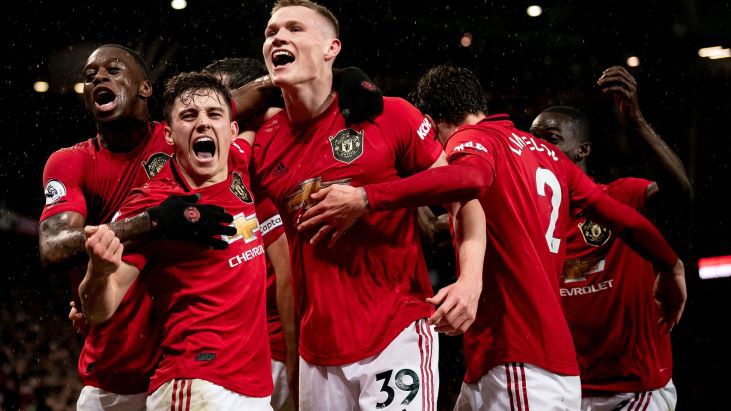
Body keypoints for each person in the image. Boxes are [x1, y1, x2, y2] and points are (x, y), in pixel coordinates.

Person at [299, 64, 686, 410]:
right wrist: (670, 265)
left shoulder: (470, 140)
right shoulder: (549, 156)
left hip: (519, 359)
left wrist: (367, 198)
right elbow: (627, 221)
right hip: (517, 362)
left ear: (430, 122)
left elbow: (471, 178)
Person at [252, 1, 486, 409]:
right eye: (271, 32)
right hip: (317, 348)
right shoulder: (264, 142)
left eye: (295, 28)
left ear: (332, 48)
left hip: (395, 333)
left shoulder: (389, 114)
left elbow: (463, 196)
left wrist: (470, 281)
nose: (279, 38)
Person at [39, 44, 236, 410]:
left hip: (186, 361)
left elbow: (233, 100)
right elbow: (54, 247)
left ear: (146, 87)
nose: (99, 77)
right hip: (114, 367)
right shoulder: (70, 162)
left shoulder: (180, 136)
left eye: (113, 70)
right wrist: (154, 222)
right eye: (90, 76)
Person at [79, 71, 273, 410]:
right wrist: (98, 272)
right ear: (168, 135)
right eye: (189, 116)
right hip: (196, 384)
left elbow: (281, 99)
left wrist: (343, 78)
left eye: (214, 114)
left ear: (232, 131)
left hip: (253, 386)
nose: (203, 123)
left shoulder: (238, 162)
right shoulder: (150, 204)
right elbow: (100, 308)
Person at [529, 66, 692, 411]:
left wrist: (636, 122)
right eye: (533, 141)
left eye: (551, 139)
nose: (539, 149)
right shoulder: (529, 216)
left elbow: (679, 192)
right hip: (567, 390)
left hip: (637, 390)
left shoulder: (620, 197)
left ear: (583, 150)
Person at [204, 56, 297, 410]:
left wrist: (294, 358)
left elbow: (286, 273)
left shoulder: (266, 142)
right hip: (233, 345)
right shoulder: (223, 149)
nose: (205, 105)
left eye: (217, 93)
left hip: (269, 351)